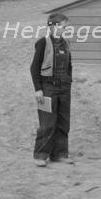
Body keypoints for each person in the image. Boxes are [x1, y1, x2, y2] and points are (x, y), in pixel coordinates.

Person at [30, 13, 74, 167]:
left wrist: (69, 82)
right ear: (53, 26)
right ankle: (40, 155)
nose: (65, 29)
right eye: (63, 27)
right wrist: (38, 89)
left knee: (63, 122)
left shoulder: (66, 43)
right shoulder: (42, 43)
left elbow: (69, 66)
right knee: (47, 123)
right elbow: (34, 68)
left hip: (64, 88)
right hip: (48, 87)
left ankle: (60, 154)